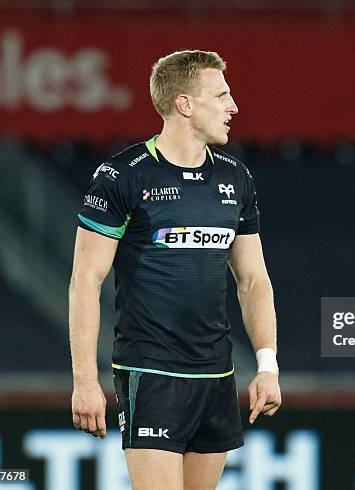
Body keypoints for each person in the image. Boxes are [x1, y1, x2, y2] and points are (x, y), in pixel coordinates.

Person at [69, 50, 281, 490]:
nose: (233, 106)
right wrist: (86, 383)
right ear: (184, 104)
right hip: (151, 374)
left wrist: (268, 365)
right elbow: (85, 282)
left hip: (216, 375)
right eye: (221, 95)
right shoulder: (122, 177)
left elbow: (253, 279)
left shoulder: (235, 178)